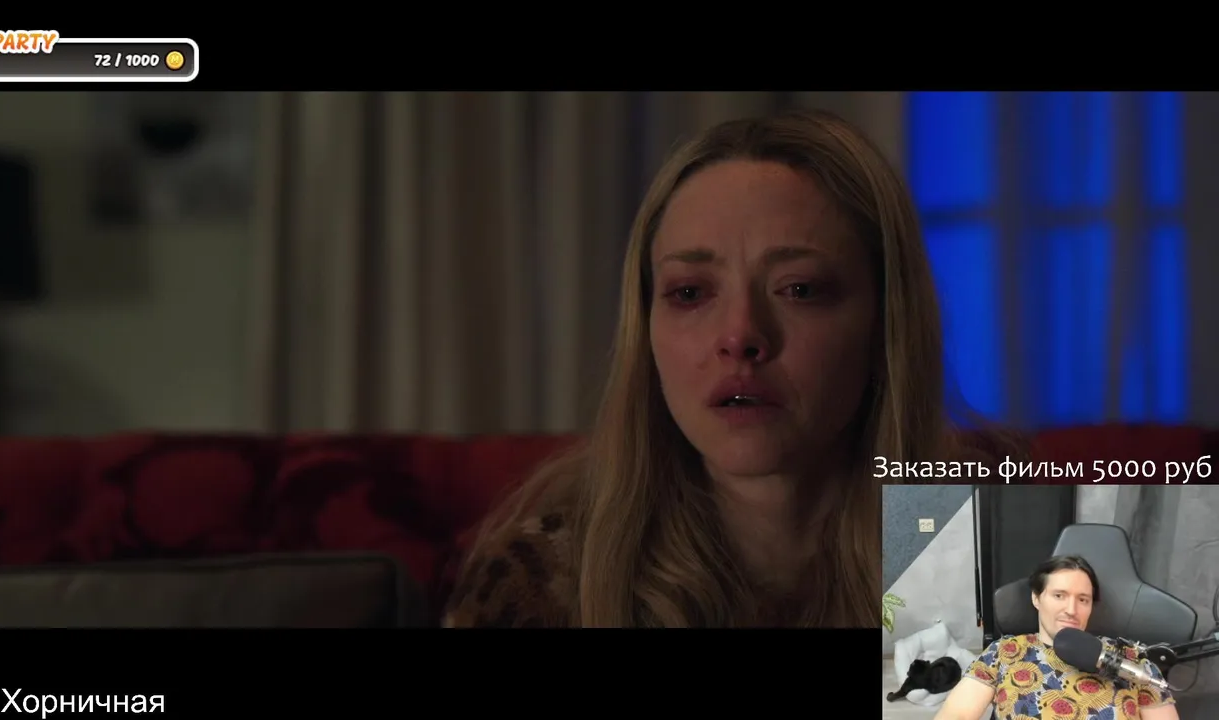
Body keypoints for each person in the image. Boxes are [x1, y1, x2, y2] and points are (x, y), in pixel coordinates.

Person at [442, 110, 1006, 628]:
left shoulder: (992, 559)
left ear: (886, 322)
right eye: (690, 292)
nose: (740, 336)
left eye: (799, 289)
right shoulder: (542, 585)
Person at [934, 555, 1179, 720]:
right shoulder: (1004, 652)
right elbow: (956, 715)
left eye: (1083, 599)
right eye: (1059, 596)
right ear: (1036, 598)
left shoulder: (1132, 660)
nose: (1071, 610)